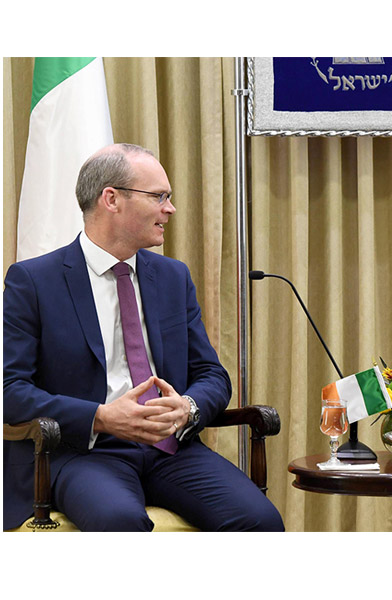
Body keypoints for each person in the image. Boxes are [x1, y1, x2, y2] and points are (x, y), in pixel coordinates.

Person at [4, 143, 284, 531]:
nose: (169, 209)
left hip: (172, 450)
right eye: (159, 197)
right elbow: (9, 390)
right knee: (121, 523)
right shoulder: (34, 281)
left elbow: (212, 374)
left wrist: (188, 407)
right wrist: (101, 417)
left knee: (261, 521)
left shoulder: (172, 277)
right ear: (111, 199)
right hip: (85, 453)